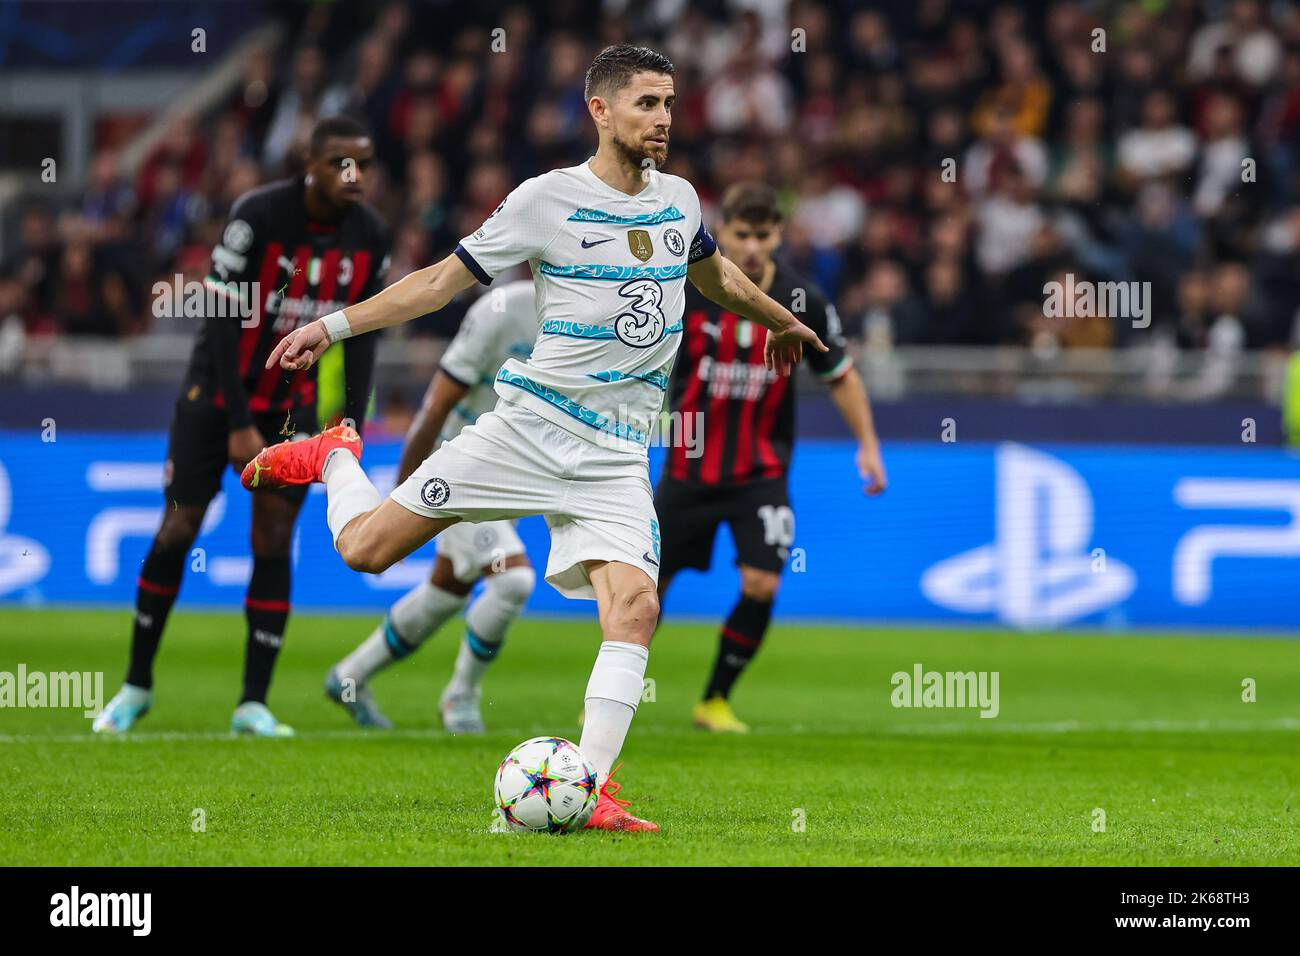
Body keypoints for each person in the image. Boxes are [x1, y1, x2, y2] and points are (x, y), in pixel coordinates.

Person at [241, 45, 825, 831]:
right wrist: (332, 325)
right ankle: (334, 453)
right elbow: (438, 284)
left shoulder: (681, 200)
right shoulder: (546, 200)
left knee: (635, 607)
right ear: (601, 111)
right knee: (367, 550)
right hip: (530, 426)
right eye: (646, 103)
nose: (662, 119)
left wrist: (779, 317)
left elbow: (712, 275)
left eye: (670, 103)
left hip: (617, 451)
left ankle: (589, 794)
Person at [94, 117, 390, 737]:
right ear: (309, 162)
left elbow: (361, 338)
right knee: (178, 528)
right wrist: (234, 421)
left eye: (362, 163)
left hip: (293, 406)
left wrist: (350, 422)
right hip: (214, 396)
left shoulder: (371, 236)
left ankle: (252, 703)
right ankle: (135, 686)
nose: (353, 176)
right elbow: (221, 321)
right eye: (340, 162)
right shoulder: (257, 214)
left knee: (274, 538)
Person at [655, 181, 887, 733]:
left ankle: (714, 701)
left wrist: (869, 444)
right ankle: (612, 694)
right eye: (742, 234)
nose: (754, 246)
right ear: (722, 232)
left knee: (762, 584)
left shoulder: (804, 300)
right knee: (645, 594)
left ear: (779, 234)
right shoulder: (685, 289)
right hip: (688, 468)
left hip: (762, 470)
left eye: (764, 235)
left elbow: (840, 375)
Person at [325, 280, 538, 733]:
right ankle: (460, 698)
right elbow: (434, 407)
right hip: (456, 467)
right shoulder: (500, 311)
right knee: (513, 579)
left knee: (448, 590)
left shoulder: (592, 316)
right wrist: (398, 506)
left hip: (514, 475)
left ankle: (350, 676)